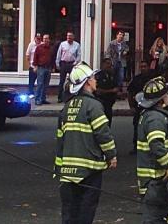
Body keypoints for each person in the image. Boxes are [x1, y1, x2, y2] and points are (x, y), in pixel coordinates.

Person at [54, 62, 118, 224]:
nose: (96, 80)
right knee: (85, 211)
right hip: (89, 171)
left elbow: (60, 140)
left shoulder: (67, 108)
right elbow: (103, 134)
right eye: (93, 77)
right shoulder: (94, 106)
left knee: (69, 213)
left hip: (67, 173)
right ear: (87, 82)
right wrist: (111, 156)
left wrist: (59, 169)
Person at [136, 76, 168, 224]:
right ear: (161, 99)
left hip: (156, 178)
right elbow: (156, 145)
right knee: (154, 217)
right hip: (156, 179)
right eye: (166, 94)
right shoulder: (156, 118)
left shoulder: (152, 115)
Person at [129, 61, 152, 154]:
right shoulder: (136, 79)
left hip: (150, 107)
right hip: (139, 108)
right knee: (137, 127)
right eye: (141, 66)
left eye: (145, 66)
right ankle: (136, 147)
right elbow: (130, 92)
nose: (143, 68)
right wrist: (131, 106)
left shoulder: (152, 80)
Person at [56, 32, 82, 103]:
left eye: (70, 37)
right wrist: (57, 63)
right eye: (67, 37)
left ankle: (71, 96)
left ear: (73, 37)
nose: (68, 38)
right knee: (61, 81)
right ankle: (60, 97)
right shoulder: (62, 44)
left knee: (73, 81)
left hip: (72, 64)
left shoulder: (77, 45)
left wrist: (75, 63)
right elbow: (59, 54)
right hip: (64, 64)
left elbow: (79, 55)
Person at [94, 58, 119, 125]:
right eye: (107, 63)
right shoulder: (98, 76)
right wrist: (111, 91)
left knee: (108, 123)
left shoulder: (112, 76)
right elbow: (97, 90)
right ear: (103, 64)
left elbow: (116, 87)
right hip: (101, 103)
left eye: (110, 64)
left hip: (109, 103)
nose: (109, 66)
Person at [33, 34, 54, 105]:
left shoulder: (51, 48)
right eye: (44, 39)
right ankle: (37, 99)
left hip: (48, 68)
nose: (45, 40)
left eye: (47, 38)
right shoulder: (39, 48)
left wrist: (53, 67)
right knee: (40, 84)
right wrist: (35, 66)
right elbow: (35, 57)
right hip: (41, 68)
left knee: (46, 84)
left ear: (49, 40)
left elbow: (52, 58)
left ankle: (43, 99)